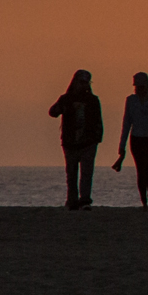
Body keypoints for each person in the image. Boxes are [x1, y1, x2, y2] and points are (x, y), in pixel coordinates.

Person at [48, 69, 103, 210]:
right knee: (71, 173)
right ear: (75, 82)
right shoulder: (66, 99)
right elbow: (53, 112)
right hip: (70, 142)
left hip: (88, 142)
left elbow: (98, 120)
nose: (83, 85)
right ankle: (72, 200)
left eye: (86, 83)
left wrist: (97, 138)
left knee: (86, 173)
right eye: (81, 82)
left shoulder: (92, 100)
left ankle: (84, 200)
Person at [113, 72, 148, 208]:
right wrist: (122, 145)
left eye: (141, 86)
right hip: (136, 138)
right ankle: (143, 200)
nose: (139, 89)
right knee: (140, 168)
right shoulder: (131, 100)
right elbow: (126, 123)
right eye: (137, 87)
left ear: (147, 86)